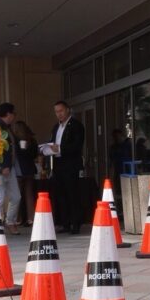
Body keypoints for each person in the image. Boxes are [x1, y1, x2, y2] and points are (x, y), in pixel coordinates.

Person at [48, 100, 85, 234]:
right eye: (56, 112)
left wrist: (60, 148)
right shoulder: (55, 127)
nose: (59, 114)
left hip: (71, 164)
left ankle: (76, 223)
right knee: (61, 194)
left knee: (72, 194)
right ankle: (65, 223)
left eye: (61, 111)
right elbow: (53, 143)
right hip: (58, 164)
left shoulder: (76, 126)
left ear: (68, 110)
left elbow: (76, 145)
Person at [0, 103, 22, 235]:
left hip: (9, 167)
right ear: (8, 114)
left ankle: (10, 221)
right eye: (13, 113)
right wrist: (1, 166)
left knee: (16, 196)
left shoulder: (7, 127)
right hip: (1, 168)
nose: (14, 116)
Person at [12, 120, 39, 227]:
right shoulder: (32, 140)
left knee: (17, 195)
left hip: (19, 170)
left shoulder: (16, 140)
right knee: (29, 195)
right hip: (30, 170)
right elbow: (34, 154)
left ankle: (17, 219)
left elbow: (18, 154)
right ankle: (30, 218)